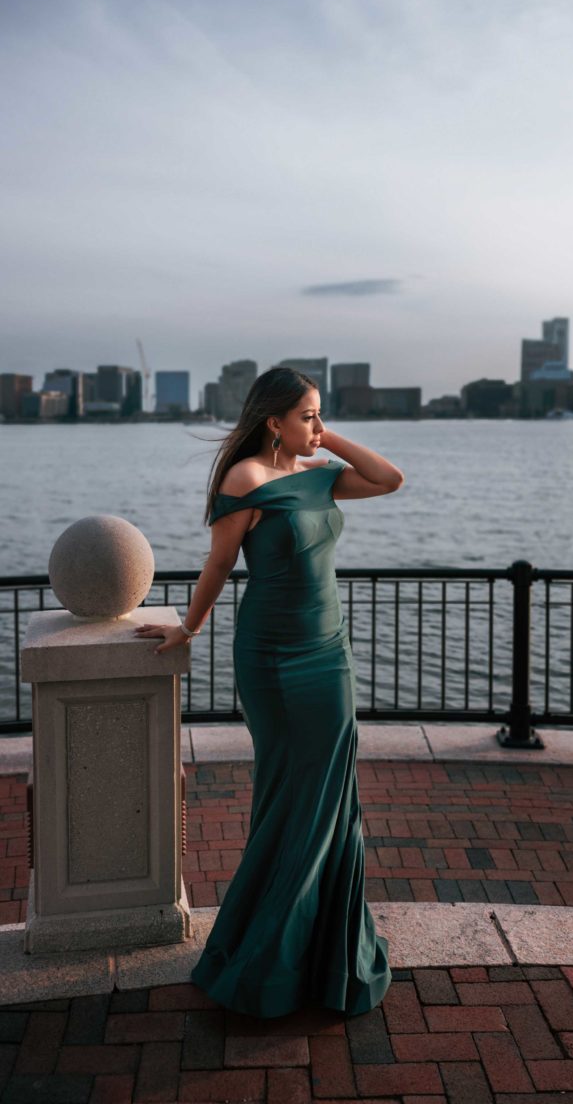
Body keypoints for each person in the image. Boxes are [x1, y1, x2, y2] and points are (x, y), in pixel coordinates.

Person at [134, 366, 403, 1018]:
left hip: (328, 654)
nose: (317, 424)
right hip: (276, 661)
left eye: (319, 413)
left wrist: (324, 435)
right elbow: (221, 564)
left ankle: (319, 946)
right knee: (296, 797)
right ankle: (270, 954)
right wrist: (187, 627)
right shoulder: (245, 479)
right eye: (307, 414)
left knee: (332, 795)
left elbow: (390, 479)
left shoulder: (319, 475)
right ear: (272, 419)